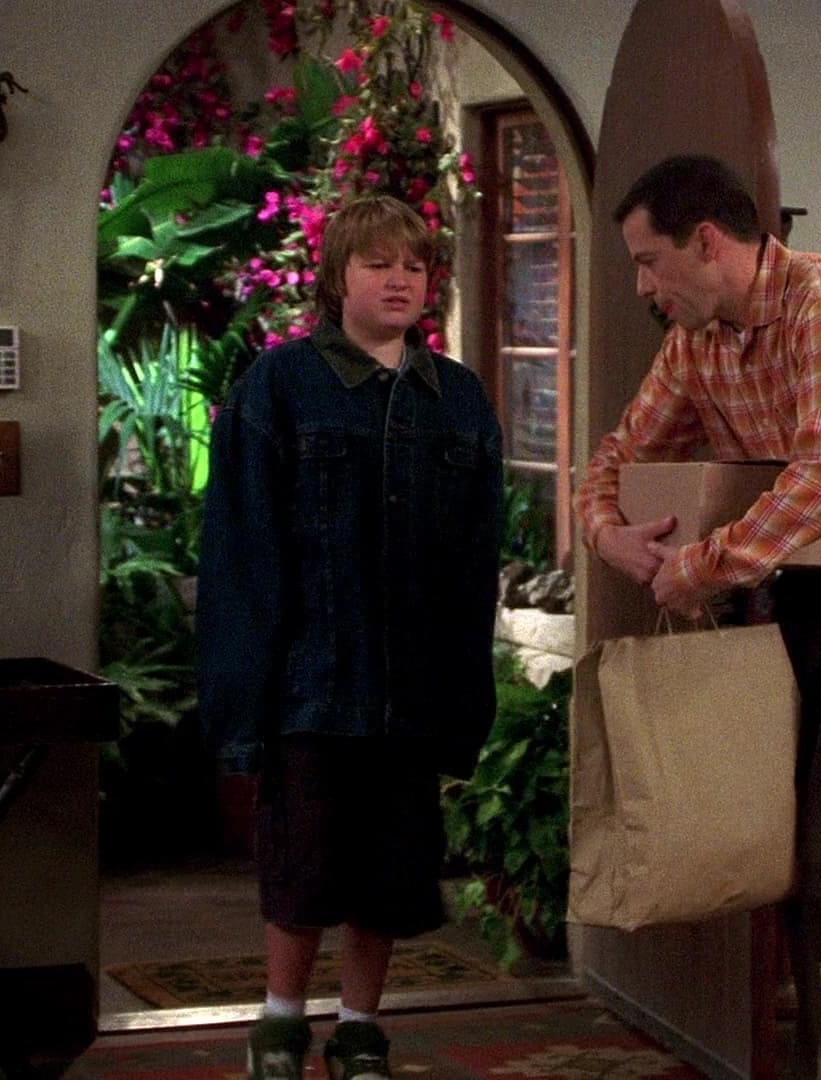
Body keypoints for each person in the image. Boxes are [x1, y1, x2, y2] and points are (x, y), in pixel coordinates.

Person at [574, 155, 821, 1072]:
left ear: (706, 242)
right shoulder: (698, 341)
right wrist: (609, 537)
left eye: (648, 262)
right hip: (797, 592)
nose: (642, 286)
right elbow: (615, 457)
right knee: (787, 849)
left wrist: (704, 567)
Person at [197, 194, 504, 1079]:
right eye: (378, 263)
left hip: (411, 691)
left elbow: (473, 564)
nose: (398, 279)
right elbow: (242, 553)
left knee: (392, 874)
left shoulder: (459, 398)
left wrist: (463, 697)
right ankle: (279, 1027)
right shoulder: (279, 385)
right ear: (337, 279)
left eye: (413, 264)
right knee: (302, 865)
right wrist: (243, 700)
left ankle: (361, 1028)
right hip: (312, 683)